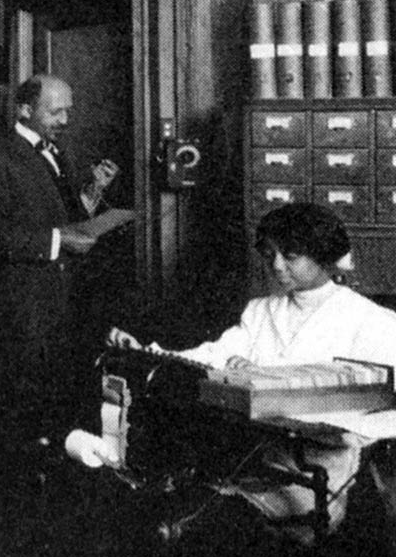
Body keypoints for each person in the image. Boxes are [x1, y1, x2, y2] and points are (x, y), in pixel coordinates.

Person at [108, 202, 396, 537]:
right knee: (180, 510)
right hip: (251, 453)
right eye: (269, 254)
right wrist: (146, 351)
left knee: (219, 523)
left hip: (317, 466)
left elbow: (381, 406)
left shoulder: (369, 320)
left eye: (290, 256)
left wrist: (267, 381)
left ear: (324, 256)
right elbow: (215, 354)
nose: (276, 265)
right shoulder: (261, 310)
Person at [0, 74, 120, 502]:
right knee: (28, 403)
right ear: (24, 110)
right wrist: (57, 241)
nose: (65, 119)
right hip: (26, 307)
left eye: (68, 110)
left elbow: (66, 214)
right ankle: (25, 498)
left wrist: (93, 192)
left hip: (62, 300)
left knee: (61, 393)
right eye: (56, 111)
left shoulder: (56, 152)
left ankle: (59, 485)